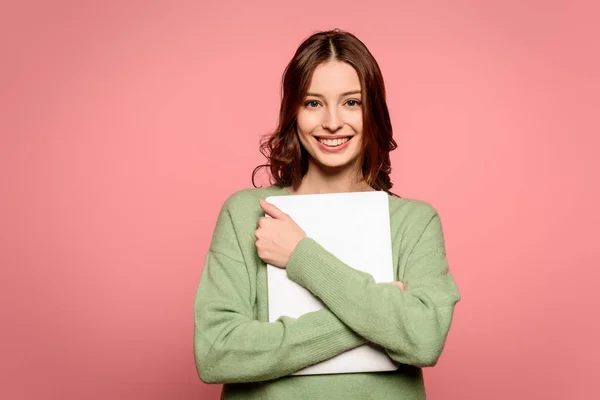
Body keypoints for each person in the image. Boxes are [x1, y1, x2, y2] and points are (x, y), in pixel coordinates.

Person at [193, 29, 461, 400]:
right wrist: (375, 319)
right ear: (293, 113)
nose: (332, 122)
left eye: (351, 102)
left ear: (374, 112)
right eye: (313, 103)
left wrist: (302, 256)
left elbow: (424, 337)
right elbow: (216, 351)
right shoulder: (245, 214)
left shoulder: (413, 222)